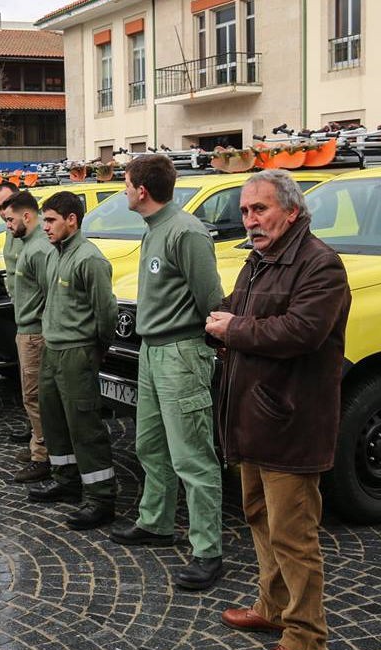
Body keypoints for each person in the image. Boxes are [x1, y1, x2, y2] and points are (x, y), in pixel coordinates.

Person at [206, 170, 350, 650]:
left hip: (291, 422)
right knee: (259, 518)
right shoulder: (259, 261)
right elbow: (235, 312)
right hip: (251, 418)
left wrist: (235, 328)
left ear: (290, 211)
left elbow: (303, 331)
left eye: (259, 210)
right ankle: (273, 608)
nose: (250, 220)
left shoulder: (320, 265)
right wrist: (217, 323)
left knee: (293, 534)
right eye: (245, 212)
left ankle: (307, 641)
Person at [107, 153, 226, 591]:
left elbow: (211, 299)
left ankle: (208, 551)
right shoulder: (155, 229)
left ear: (142, 190)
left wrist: (203, 347)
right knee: (150, 445)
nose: (123, 189)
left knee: (193, 457)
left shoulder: (186, 232)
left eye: (125, 183)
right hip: (152, 353)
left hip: (180, 353)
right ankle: (156, 522)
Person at [27, 191, 118, 531]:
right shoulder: (54, 254)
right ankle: (66, 478)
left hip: (77, 352)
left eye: (50, 220)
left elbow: (105, 313)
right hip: (53, 349)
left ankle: (100, 498)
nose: (45, 227)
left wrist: (95, 349)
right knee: (54, 419)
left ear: (71, 220)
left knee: (84, 426)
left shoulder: (89, 258)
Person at [2, 190, 52, 483]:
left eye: (10, 219)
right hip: (27, 330)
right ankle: (38, 447)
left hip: (35, 333)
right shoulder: (28, 245)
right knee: (30, 396)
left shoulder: (38, 248)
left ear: (27, 215)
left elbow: (50, 295)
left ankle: (43, 456)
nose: (7, 225)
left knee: (35, 397)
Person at [0, 181, 31, 447]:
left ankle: (39, 436)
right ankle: (35, 429)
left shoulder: (31, 234)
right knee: (25, 375)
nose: (3, 212)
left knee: (33, 380)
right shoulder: (9, 230)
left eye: (6, 205)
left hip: (33, 315)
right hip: (19, 308)